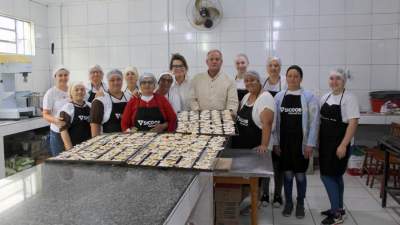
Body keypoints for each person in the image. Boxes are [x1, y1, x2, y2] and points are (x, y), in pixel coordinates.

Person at [273, 65, 319, 219]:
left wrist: (310, 144)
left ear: (301, 78)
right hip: (284, 144)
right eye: (290, 76)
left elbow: (314, 122)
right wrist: (276, 143)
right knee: (287, 175)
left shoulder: (309, 97)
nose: (292, 79)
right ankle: (288, 203)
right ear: (286, 77)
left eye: (296, 76)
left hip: (301, 145)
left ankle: (300, 204)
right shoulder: (279, 97)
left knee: (300, 175)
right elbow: (275, 122)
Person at [319, 69, 360, 225]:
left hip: (339, 144)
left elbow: (353, 123)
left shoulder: (349, 98)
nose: (334, 81)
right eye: (331, 78)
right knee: (336, 176)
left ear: (344, 81)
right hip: (325, 144)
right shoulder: (325, 97)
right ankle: (338, 208)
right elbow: (321, 122)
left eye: (338, 79)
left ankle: (336, 214)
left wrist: (343, 145)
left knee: (326, 176)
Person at [262, 56, 286, 208]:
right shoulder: (262, 83)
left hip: (281, 128)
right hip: (265, 129)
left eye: (276, 65)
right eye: (271, 65)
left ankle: (277, 194)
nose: (273, 68)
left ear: (280, 67)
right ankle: (264, 194)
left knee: (278, 164)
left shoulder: (285, 82)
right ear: (267, 68)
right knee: (264, 163)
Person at [190, 49, 238, 113]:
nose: (214, 61)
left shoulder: (230, 81)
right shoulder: (197, 79)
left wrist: (227, 116)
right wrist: (198, 112)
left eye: (217, 59)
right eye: (211, 59)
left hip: (223, 120)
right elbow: (192, 99)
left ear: (221, 62)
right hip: (201, 118)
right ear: (207, 62)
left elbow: (232, 103)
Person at [90, 69, 128, 136]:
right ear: (108, 82)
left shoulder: (129, 98)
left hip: (130, 142)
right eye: (112, 80)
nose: (116, 83)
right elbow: (95, 126)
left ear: (122, 81)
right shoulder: (99, 101)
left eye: (118, 79)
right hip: (107, 142)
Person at [42, 66, 70, 156]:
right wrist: (56, 121)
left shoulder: (72, 90)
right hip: (57, 132)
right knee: (60, 160)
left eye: (65, 75)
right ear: (55, 77)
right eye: (60, 75)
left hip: (71, 131)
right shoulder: (51, 93)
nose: (63, 78)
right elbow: (45, 114)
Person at [59, 82, 91, 150]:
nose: (80, 92)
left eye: (82, 89)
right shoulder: (67, 109)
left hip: (90, 146)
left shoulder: (90, 106)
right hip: (74, 147)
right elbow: (64, 131)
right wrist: (70, 150)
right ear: (71, 93)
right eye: (76, 90)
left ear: (85, 92)